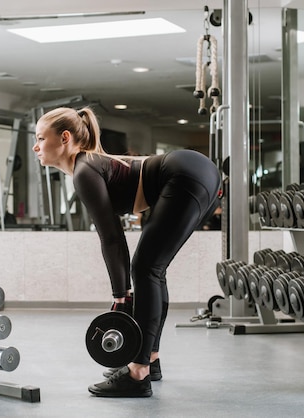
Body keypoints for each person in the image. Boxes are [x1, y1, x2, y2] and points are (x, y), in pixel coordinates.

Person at [33, 107, 221, 398]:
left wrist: (120, 295)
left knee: (147, 268)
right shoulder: (90, 164)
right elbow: (113, 236)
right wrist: (123, 291)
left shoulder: (84, 169)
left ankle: (137, 372)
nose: (36, 146)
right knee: (153, 270)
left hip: (187, 175)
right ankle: (150, 360)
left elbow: (111, 236)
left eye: (40, 138)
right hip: (199, 173)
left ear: (65, 138)